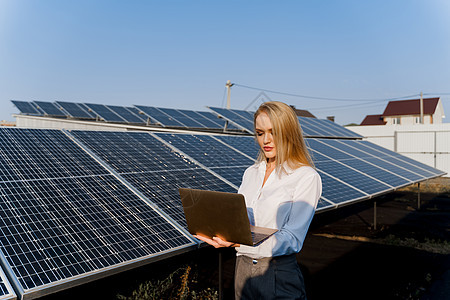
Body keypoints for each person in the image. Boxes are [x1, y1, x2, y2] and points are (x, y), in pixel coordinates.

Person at [195, 101, 322, 299]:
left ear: (289, 133)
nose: (266, 140)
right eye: (260, 133)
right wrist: (220, 230)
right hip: (242, 269)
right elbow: (239, 220)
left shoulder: (305, 176)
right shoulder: (251, 173)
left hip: (277, 273)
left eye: (274, 132)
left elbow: (291, 240)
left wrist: (236, 243)